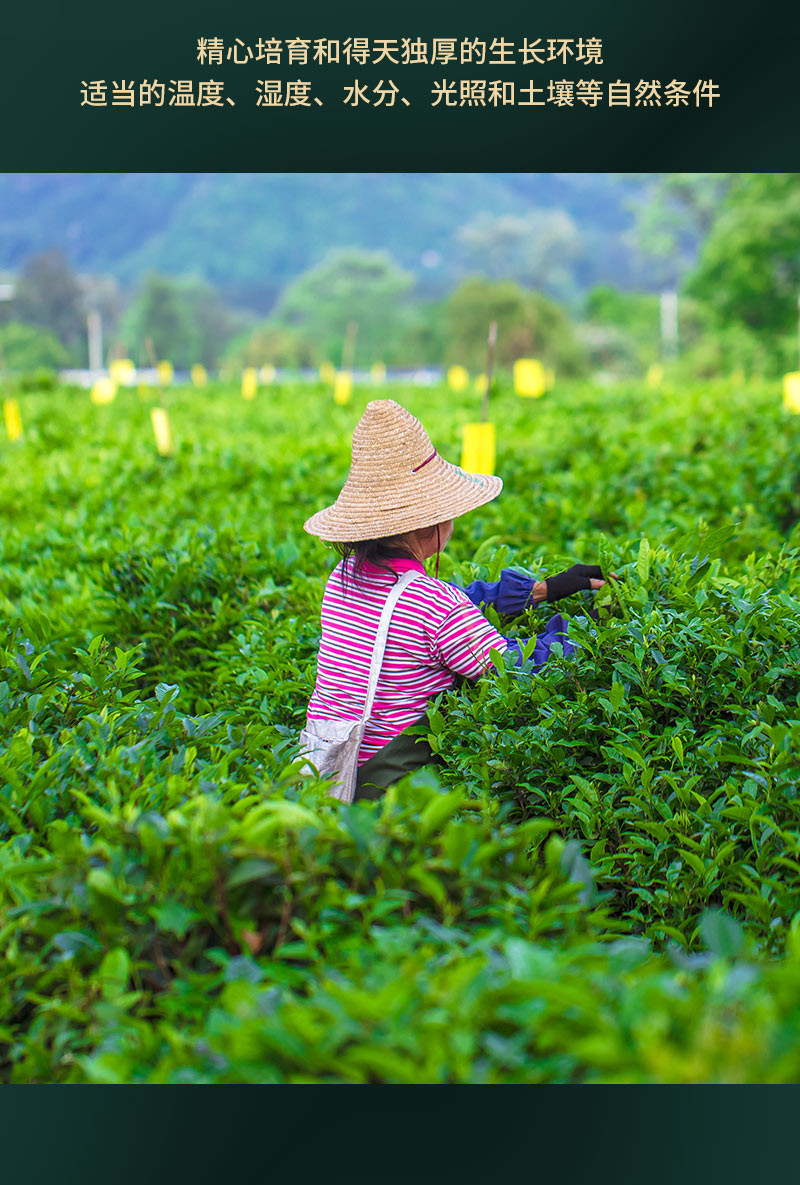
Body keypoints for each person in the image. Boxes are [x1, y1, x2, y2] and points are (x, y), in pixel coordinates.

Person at [303, 400, 610, 800]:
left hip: (328, 770)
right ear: (430, 523)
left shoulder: (342, 579)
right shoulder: (434, 604)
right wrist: (590, 633)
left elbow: (428, 614)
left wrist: (541, 590)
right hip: (391, 789)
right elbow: (509, 668)